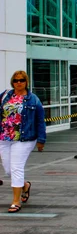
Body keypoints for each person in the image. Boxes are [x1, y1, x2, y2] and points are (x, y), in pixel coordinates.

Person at [0, 70, 46, 213]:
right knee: (8, 170)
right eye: (16, 80)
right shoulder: (5, 96)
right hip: (5, 138)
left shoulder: (33, 99)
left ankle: (15, 201)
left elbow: (40, 120)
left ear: (26, 82)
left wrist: (41, 139)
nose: (18, 83)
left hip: (24, 138)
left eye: (21, 80)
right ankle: (25, 185)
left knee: (16, 168)